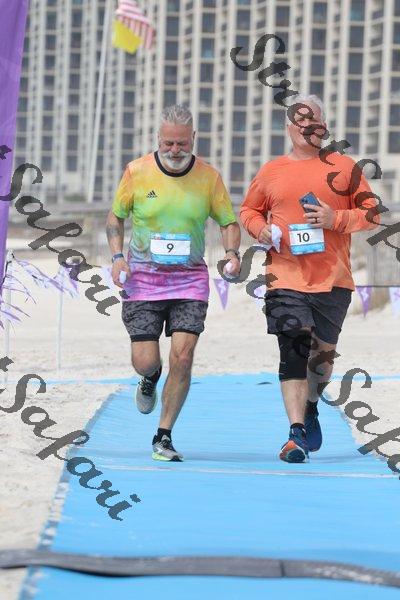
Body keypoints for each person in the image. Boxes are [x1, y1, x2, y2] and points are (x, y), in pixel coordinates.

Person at [240, 94, 379, 463]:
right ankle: (295, 433)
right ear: (289, 128)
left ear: (324, 126)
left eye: (312, 120)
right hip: (284, 275)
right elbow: (249, 210)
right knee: (294, 346)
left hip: (333, 279)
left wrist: (336, 219)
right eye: (299, 121)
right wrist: (260, 229)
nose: (306, 127)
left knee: (322, 358)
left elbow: (372, 214)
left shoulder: (344, 167)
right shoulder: (271, 171)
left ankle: (312, 405)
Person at [106, 104, 240, 462]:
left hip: (189, 280)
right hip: (143, 280)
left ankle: (163, 435)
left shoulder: (208, 177)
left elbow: (228, 221)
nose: (175, 150)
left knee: (183, 355)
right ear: (158, 139)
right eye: (168, 143)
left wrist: (232, 252)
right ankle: (150, 378)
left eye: (182, 143)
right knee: (145, 361)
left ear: (193, 139)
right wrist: (117, 256)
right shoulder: (137, 171)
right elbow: (115, 218)